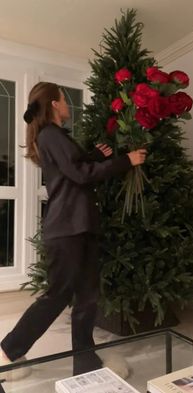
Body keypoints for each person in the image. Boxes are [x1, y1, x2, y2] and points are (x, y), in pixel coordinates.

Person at [0, 82, 147, 379]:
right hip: (68, 228)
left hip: (79, 226)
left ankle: (85, 359)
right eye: (65, 100)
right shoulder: (50, 135)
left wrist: (93, 156)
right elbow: (79, 175)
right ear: (55, 104)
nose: (68, 105)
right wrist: (125, 161)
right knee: (58, 295)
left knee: (87, 296)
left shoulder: (55, 137)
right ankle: (7, 351)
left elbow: (71, 171)